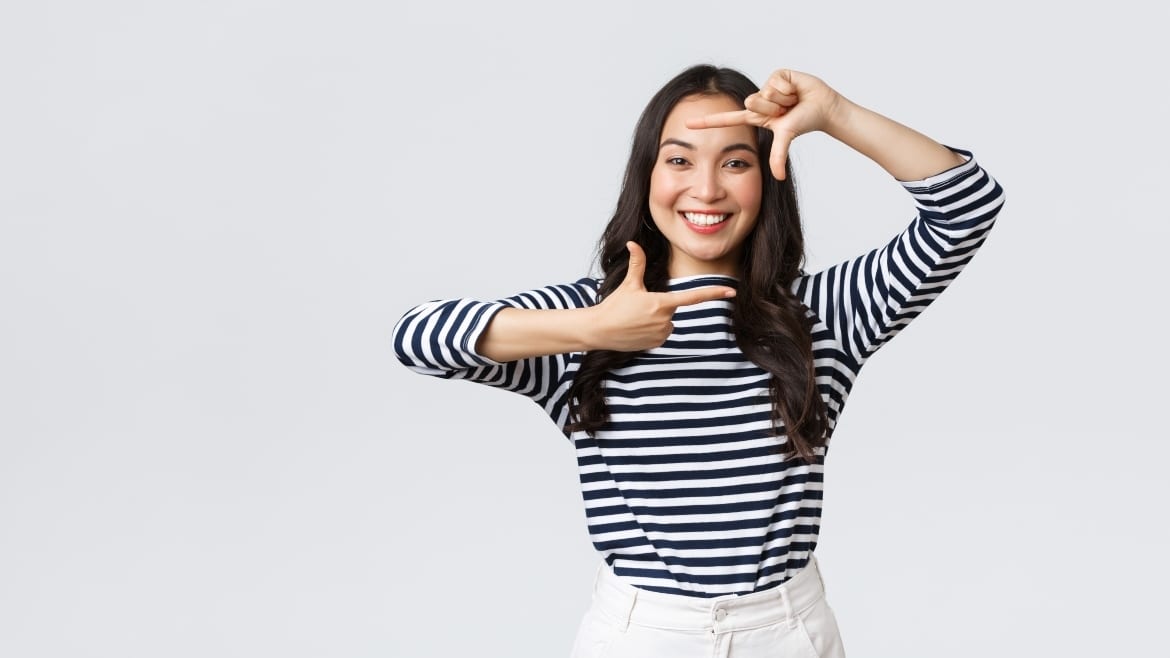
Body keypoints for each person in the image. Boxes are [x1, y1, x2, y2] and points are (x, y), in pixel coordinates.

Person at [392, 65, 1005, 658]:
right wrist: (594, 326)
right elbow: (417, 337)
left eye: (735, 162)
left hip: (785, 631)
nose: (706, 189)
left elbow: (968, 207)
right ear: (647, 175)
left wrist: (835, 114)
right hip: (640, 634)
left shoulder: (824, 313)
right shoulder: (585, 320)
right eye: (679, 160)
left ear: (768, 176)